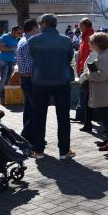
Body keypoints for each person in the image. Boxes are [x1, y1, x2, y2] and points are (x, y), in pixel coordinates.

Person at [28, 13, 76, 160]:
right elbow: (69, 58)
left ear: (44, 24)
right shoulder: (66, 40)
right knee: (63, 117)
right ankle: (64, 150)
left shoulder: (34, 40)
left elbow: (33, 56)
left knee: (39, 116)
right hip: (62, 81)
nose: (39, 25)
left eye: (40, 23)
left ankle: (38, 150)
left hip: (40, 81)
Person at [86, 32, 108, 152]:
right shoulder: (104, 54)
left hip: (104, 92)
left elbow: (103, 75)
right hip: (103, 91)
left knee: (107, 119)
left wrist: (90, 74)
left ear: (97, 44)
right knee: (106, 118)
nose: (90, 44)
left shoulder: (104, 56)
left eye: (91, 42)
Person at [16, 18, 39, 143]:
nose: (39, 30)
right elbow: (32, 64)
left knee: (29, 109)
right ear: (34, 28)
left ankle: (29, 137)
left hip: (26, 79)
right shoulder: (29, 42)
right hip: (30, 79)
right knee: (36, 111)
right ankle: (25, 136)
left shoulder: (23, 40)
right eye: (38, 28)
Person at [75, 18, 95, 128]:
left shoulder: (90, 36)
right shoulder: (85, 36)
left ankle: (84, 118)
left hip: (87, 70)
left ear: (85, 26)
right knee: (85, 95)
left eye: (80, 26)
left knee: (85, 95)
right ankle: (84, 118)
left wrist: (83, 71)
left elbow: (90, 56)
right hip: (85, 69)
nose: (79, 28)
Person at [0, 25, 22, 104]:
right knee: (4, 79)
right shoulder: (5, 37)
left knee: (8, 79)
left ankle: (6, 96)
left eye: (20, 33)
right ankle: (1, 96)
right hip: (4, 60)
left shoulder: (16, 38)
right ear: (13, 31)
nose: (19, 34)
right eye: (18, 33)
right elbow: (1, 48)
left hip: (11, 60)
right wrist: (13, 48)